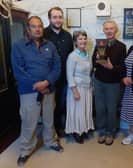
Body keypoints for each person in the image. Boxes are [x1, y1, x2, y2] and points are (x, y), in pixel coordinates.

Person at [11, 16, 63, 166]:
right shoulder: (18, 46)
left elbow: (57, 67)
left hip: (49, 89)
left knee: (49, 119)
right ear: (28, 28)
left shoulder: (50, 45)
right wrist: (37, 85)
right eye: (34, 26)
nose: (38, 29)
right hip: (29, 91)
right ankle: (26, 150)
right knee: (29, 121)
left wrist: (47, 82)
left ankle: (51, 141)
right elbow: (18, 71)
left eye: (40, 26)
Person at [92, 20, 126, 145]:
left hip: (113, 84)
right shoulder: (100, 44)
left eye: (111, 28)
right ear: (103, 30)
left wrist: (111, 67)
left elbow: (122, 68)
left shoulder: (121, 46)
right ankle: (101, 131)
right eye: (106, 28)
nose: (109, 31)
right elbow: (93, 63)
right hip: (99, 81)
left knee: (111, 109)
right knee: (100, 108)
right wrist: (97, 61)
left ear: (116, 30)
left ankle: (110, 132)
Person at [44, 7, 74, 137]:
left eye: (60, 17)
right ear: (50, 18)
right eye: (55, 17)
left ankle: (59, 128)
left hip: (64, 78)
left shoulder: (67, 35)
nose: (58, 20)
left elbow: (71, 57)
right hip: (48, 78)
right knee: (49, 107)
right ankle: (50, 131)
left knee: (62, 104)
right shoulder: (43, 34)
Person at [65, 30, 94, 144]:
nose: (83, 41)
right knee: (77, 111)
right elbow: (69, 75)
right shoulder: (72, 56)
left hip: (87, 87)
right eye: (80, 39)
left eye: (84, 38)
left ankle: (84, 128)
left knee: (85, 109)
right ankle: (77, 131)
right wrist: (75, 91)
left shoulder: (87, 54)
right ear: (75, 42)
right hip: (77, 88)